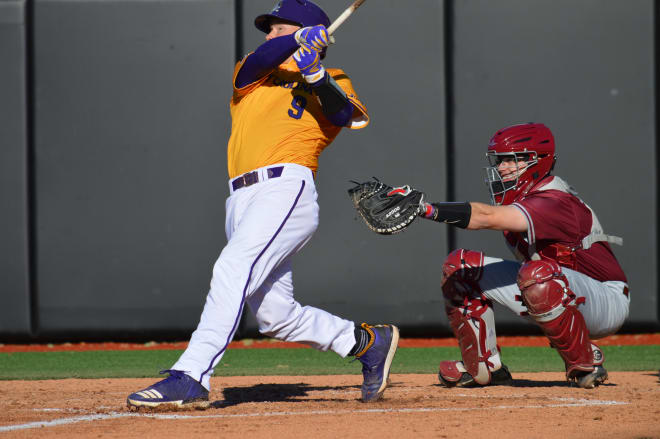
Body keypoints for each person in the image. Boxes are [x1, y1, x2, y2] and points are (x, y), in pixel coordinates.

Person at [127, 0, 398, 409]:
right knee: (275, 315)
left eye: (277, 27)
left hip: (285, 188)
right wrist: (297, 39)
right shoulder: (255, 73)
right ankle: (364, 342)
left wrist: (317, 74)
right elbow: (262, 58)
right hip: (240, 198)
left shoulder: (335, 76)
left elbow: (349, 117)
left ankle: (191, 375)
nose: (268, 34)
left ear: (311, 32)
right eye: (269, 29)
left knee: (233, 268)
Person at [415, 122, 629, 388]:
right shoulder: (523, 198)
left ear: (537, 161)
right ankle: (484, 366)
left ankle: (587, 362)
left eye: (511, 160)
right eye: (500, 160)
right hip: (557, 288)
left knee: (537, 274)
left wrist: (425, 209)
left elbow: (485, 217)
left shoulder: (554, 199)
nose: (501, 167)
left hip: (604, 299)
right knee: (460, 266)